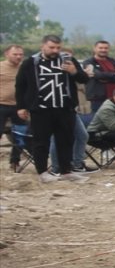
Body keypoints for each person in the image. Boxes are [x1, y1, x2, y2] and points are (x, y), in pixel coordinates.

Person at [14, 36, 89, 182]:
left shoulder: (68, 60)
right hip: (41, 109)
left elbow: (84, 79)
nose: (55, 51)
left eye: (58, 48)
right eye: (51, 47)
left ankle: (66, 170)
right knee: (41, 141)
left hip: (64, 108)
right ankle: (42, 172)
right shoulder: (31, 63)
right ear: (43, 46)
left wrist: (74, 71)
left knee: (66, 140)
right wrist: (21, 106)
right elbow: (20, 85)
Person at [1, 44, 26, 172]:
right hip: (1, 105)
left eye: (20, 54)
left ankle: (15, 161)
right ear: (7, 54)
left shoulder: (24, 68)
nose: (18, 57)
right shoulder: (1, 67)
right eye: (15, 54)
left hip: (19, 107)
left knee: (20, 135)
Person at [84, 40, 115, 113]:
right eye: (101, 48)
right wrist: (114, 74)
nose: (103, 50)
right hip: (98, 98)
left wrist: (106, 77)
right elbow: (97, 75)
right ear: (95, 49)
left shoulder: (112, 61)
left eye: (106, 48)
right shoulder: (89, 62)